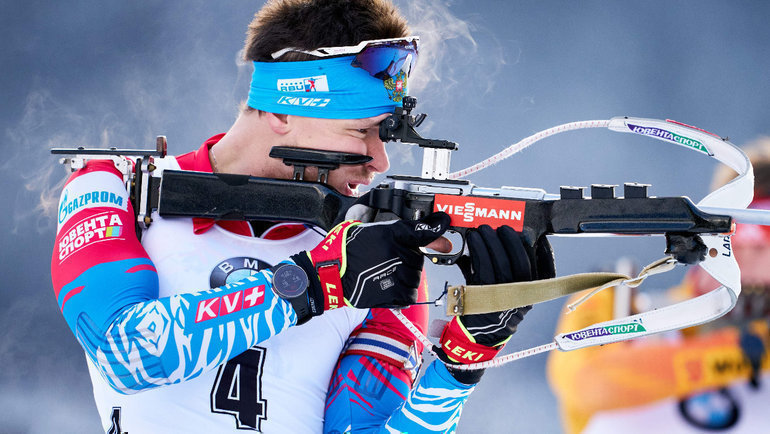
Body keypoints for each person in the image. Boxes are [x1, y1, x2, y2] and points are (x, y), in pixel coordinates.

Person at [51, 0, 555, 432]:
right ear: (283, 111)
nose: (380, 161)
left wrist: (462, 362)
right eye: (362, 131)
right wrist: (314, 283)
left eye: (384, 135)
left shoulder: (373, 246)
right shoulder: (116, 186)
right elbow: (127, 353)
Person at [547, 139, 770, 433]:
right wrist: (751, 349)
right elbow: (590, 383)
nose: (748, 250)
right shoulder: (616, 305)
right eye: (746, 231)